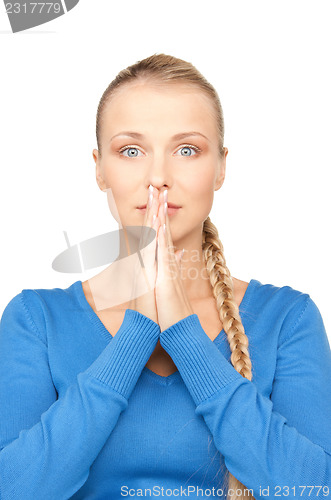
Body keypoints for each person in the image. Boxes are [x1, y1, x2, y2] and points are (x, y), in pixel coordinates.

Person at [0, 53, 330, 500]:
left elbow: (315, 490)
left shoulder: (287, 318)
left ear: (221, 168)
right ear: (99, 167)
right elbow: (14, 489)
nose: (158, 176)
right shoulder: (35, 319)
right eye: (131, 151)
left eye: (187, 150)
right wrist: (135, 335)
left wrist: (183, 333)